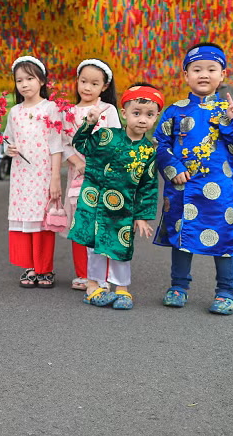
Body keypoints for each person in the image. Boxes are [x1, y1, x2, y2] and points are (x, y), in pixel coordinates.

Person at [154, 42, 233, 315]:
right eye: (197, 69)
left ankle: (226, 291)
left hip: (219, 190)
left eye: (211, 69)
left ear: (222, 75)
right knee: (182, 235)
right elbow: (160, 144)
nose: (204, 74)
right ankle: (178, 286)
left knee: (224, 237)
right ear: (186, 75)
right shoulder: (174, 111)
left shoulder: (228, 110)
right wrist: (173, 168)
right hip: (182, 187)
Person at [68, 84, 163, 310]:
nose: (142, 119)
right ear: (124, 113)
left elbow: (148, 186)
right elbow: (80, 144)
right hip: (94, 203)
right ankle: (93, 287)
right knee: (94, 246)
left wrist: (142, 216)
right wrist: (89, 123)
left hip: (123, 209)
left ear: (156, 117)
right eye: (136, 113)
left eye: (149, 115)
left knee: (121, 247)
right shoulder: (106, 135)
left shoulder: (149, 151)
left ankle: (122, 289)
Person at [2, 56, 63, 288]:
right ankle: (29, 267)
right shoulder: (14, 112)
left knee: (43, 220)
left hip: (43, 174)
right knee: (24, 218)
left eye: (29, 78)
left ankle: (45, 268)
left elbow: (56, 145)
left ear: (42, 81)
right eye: (19, 80)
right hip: (20, 176)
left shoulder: (51, 108)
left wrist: (55, 178)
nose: (24, 84)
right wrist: (9, 148)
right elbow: (7, 138)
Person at [61, 59, 122, 291]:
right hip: (79, 175)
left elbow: (117, 141)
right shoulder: (68, 111)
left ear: (104, 87)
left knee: (101, 223)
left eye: (94, 83)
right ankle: (83, 274)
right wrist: (77, 162)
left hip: (104, 176)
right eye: (83, 81)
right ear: (77, 81)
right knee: (80, 223)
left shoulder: (108, 110)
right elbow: (63, 143)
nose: (87, 87)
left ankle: (101, 276)